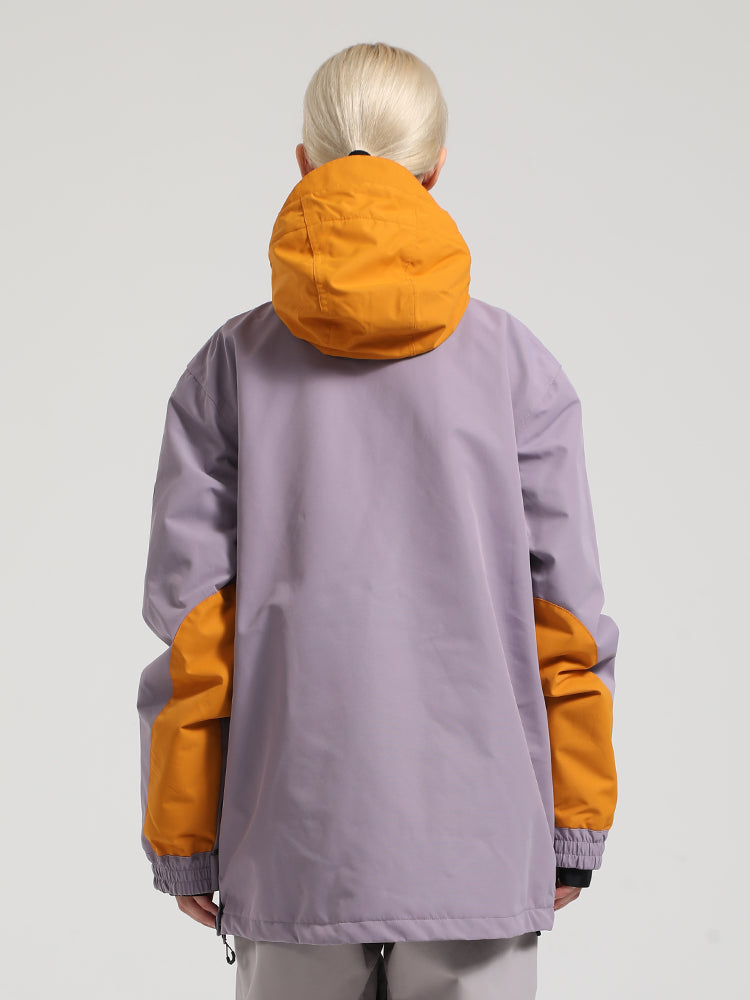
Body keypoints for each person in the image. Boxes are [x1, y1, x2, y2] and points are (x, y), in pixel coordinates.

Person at [137, 41, 618, 1000]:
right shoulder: (517, 367)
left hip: (291, 840)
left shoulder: (229, 368)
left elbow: (197, 631)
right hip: (479, 845)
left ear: (304, 163)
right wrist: (574, 823)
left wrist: (186, 834)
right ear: (434, 170)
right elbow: (565, 618)